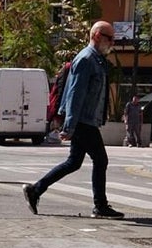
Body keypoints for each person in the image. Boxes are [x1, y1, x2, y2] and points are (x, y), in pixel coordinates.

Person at [22, 21, 124, 220]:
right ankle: (100, 206)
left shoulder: (98, 60)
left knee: (74, 162)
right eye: (109, 38)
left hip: (86, 120)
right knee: (101, 160)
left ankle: (35, 190)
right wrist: (69, 126)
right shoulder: (86, 59)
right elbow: (75, 95)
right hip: (82, 121)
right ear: (96, 35)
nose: (112, 42)